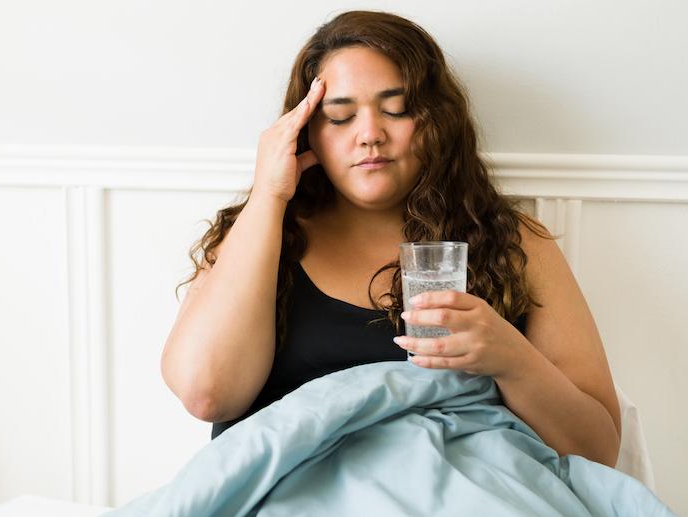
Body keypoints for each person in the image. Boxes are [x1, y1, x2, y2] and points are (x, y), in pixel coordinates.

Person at [161, 10, 622, 467]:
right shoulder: (259, 235)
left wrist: (511, 358)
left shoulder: (514, 242)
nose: (370, 136)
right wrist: (269, 193)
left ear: (437, 120)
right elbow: (208, 395)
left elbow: (598, 449)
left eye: (396, 110)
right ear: (306, 134)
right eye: (339, 116)